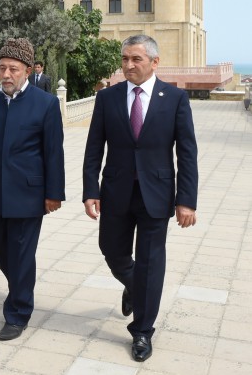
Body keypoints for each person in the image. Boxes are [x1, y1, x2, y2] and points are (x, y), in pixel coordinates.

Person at [83, 34, 198, 363]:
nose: (129, 65)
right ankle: (136, 286)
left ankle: (143, 331)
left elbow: (187, 153)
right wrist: (90, 190)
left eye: (136, 59)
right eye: (125, 59)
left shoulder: (174, 99)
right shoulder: (108, 98)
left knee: (151, 262)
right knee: (112, 251)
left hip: (157, 195)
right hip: (116, 191)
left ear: (154, 62)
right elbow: (94, 148)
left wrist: (186, 200)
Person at [0, 38, 65, 341]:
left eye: (13, 69)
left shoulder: (45, 104)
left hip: (29, 194)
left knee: (21, 251)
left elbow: (53, 153)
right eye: (2, 68)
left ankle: (17, 312)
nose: (6, 74)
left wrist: (53, 193)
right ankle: (23, 284)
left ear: (28, 71)